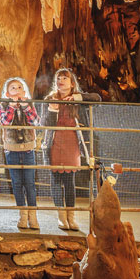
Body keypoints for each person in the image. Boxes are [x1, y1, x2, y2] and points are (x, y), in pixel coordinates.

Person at [41, 68, 100, 231]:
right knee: (55, 180)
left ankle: (71, 216)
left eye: (64, 78)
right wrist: (53, 109)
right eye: (58, 78)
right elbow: (44, 123)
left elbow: (97, 98)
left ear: (72, 83)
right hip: (54, 142)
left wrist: (77, 98)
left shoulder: (78, 99)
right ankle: (61, 217)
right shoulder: (50, 99)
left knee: (69, 181)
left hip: (72, 142)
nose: (61, 81)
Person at [0, 77, 41, 230]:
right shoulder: (3, 105)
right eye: (13, 88)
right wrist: (11, 107)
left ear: (24, 91)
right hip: (12, 150)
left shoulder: (29, 104)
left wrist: (25, 107)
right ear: (7, 93)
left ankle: (33, 216)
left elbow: (35, 122)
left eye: (19, 87)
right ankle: (22, 214)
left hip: (28, 149)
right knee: (17, 183)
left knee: (30, 183)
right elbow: (5, 122)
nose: (16, 90)